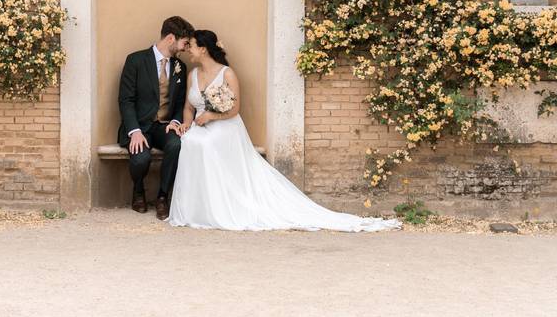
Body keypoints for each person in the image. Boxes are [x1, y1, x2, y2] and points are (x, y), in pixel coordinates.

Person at [167, 29, 401, 233]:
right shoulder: (192, 75)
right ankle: (197, 207)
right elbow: (189, 107)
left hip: (224, 125)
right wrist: (187, 123)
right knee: (190, 141)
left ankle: (220, 205)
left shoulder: (227, 74)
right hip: (200, 125)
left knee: (207, 144)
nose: (189, 50)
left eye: (193, 46)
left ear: (204, 49)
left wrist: (212, 115)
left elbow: (235, 108)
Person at [117, 16, 194, 219]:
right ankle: (139, 190)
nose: (185, 48)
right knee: (141, 157)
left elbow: (179, 103)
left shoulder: (180, 67)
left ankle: (162, 197)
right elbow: (126, 100)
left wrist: (176, 122)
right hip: (139, 126)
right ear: (170, 38)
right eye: (184, 43)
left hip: (165, 126)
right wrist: (134, 131)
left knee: (176, 145)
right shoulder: (135, 60)